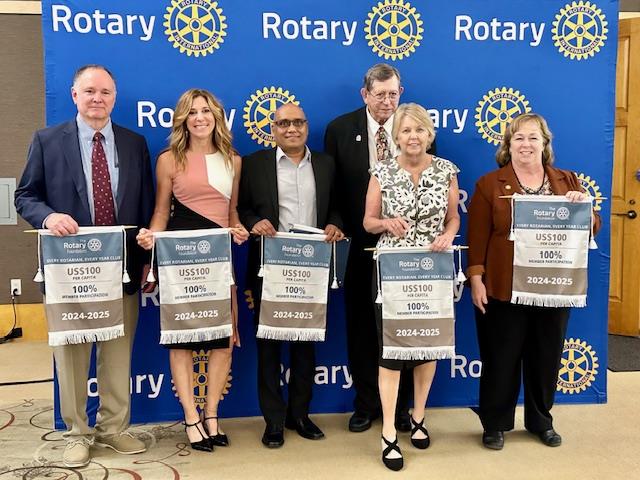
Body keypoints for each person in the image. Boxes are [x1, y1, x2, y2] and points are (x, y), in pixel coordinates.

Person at [14, 64, 154, 467]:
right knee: (72, 355)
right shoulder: (46, 140)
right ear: (75, 95)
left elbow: (145, 204)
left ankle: (114, 429)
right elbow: (25, 196)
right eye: (90, 91)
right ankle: (77, 432)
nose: (98, 98)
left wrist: (146, 260)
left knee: (118, 354)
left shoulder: (134, 143)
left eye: (105, 92)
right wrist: (48, 217)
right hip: (69, 273)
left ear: (114, 97)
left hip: (121, 267)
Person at [467, 112, 600, 451]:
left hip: (553, 287)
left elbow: (592, 227)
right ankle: (495, 424)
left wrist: (584, 208)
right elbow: (477, 237)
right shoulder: (489, 184)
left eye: (533, 138)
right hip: (504, 286)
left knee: (546, 357)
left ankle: (541, 421)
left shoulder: (568, 181)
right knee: (501, 358)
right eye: (519, 138)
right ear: (508, 145)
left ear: (545, 144)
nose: (526, 144)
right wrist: (476, 279)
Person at [324, 64, 436, 433]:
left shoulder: (416, 129)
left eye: (393, 93)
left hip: (407, 250)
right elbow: (331, 189)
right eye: (380, 94)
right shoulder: (340, 130)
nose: (388, 101)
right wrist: (337, 223)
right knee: (361, 326)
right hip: (360, 246)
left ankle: (401, 409)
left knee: (405, 327)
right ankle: (367, 404)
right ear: (365, 94)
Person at [136, 89, 248, 452]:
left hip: (219, 260)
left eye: (206, 111)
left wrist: (239, 229)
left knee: (223, 340)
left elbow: (232, 214)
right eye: (192, 112)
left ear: (217, 116)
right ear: (183, 120)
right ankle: (190, 417)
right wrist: (151, 240)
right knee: (181, 340)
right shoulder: (168, 160)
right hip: (178, 260)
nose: (200, 117)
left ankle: (211, 415)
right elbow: (161, 211)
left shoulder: (234, 160)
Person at [239, 103, 343, 448]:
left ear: (307, 126)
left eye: (298, 122)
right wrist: (254, 222)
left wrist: (335, 224)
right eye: (283, 123)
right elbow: (241, 207)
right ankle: (273, 421)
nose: (291, 129)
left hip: (312, 267)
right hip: (270, 266)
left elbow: (338, 205)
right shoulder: (254, 164)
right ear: (273, 129)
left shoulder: (326, 164)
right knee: (268, 346)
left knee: (305, 345)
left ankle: (300, 415)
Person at [363, 103, 459, 470]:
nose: (413, 137)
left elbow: (453, 218)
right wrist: (386, 223)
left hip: (433, 268)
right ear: (396, 137)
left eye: (419, 130)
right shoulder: (381, 171)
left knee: (427, 345)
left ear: (429, 134)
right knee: (391, 350)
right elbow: (368, 221)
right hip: (392, 270)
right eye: (405, 131)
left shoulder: (447, 171)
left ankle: (418, 416)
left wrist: (448, 236)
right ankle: (389, 430)